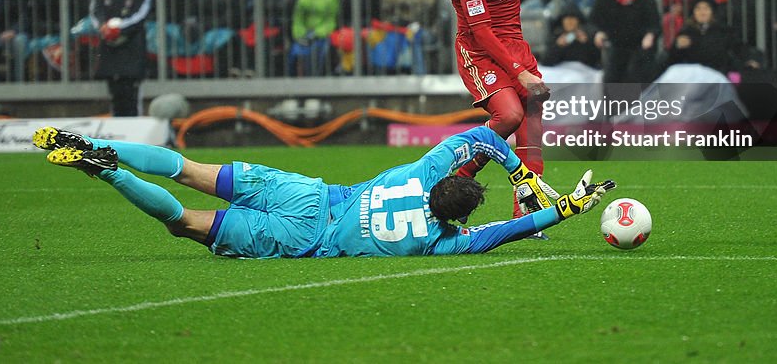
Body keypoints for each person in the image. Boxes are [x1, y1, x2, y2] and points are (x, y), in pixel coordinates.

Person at [32, 123, 614, 258]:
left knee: (188, 167)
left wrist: (519, 172)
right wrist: (564, 211)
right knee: (184, 220)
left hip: (308, 194)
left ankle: (101, 146)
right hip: (306, 237)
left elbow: (483, 133)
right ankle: (105, 172)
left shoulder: (417, 174)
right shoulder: (444, 244)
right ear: (455, 221)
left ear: (446, 182)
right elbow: (511, 230)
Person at [446, 0, 551, 218]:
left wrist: (520, 62)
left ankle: (528, 210)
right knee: (509, 115)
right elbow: (481, 31)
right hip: (479, 49)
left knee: (533, 107)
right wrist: (519, 71)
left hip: (511, 43)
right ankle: (460, 178)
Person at [91, 0, 152, 116]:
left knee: (132, 92)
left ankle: (135, 130)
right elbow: (95, 13)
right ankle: (118, 131)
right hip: (110, 49)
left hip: (132, 47)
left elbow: (140, 16)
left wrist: (119, 28)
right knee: (114, 92)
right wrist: (103, 27)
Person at [589, 0, 660, 86]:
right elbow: (594, 21)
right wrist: (598, 33)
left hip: (640, 45)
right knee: (611, 76)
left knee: (637, 73)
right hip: (615, 44)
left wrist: (650, 35)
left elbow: (654, 22)